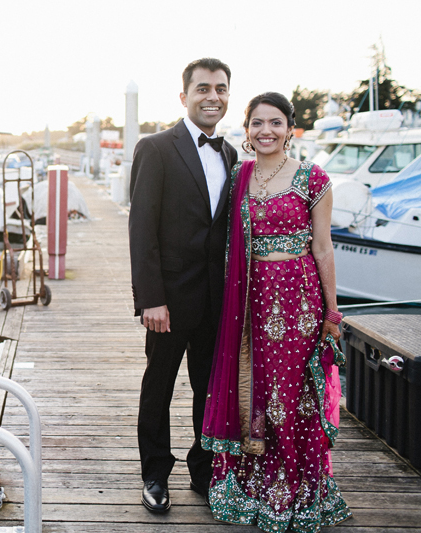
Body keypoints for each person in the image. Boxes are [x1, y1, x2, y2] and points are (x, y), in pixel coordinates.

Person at [201, 92, 352, 532]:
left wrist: (333, 311)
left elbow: (323, 248)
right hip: (251, 300)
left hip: (300, 300)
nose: (265, 131)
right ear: (246, 130)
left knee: (294, 393)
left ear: (290, 128)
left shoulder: (312, 178)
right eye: (257, 123)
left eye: (276, 123)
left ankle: (300, 485)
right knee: (259, 388)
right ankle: (254, 480)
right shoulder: (238, 176)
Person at [129, 58, 238, 513]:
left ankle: (204, 471)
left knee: (209, 391)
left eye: (221, 89)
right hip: (169, 302)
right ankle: (155, 474)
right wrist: (151, 299)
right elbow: (141, 230)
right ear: (184, 96)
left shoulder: (232, 154)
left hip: (217, 302)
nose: (213, 96)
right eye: (204, 89)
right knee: (159, 387)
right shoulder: (155, 148)